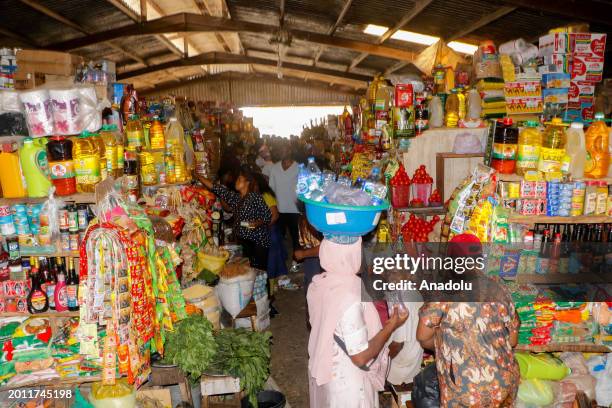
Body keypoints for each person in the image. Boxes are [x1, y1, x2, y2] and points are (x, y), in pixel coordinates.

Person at [416, 233, 519, 408]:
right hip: (504, 384)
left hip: (466, 389)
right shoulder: (500, 287)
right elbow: (513, 340)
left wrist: (446, 345)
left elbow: (423, 336)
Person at [307, 237, 408, 408]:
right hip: (348, 385)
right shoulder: (350, 298)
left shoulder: (320, 283)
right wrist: (391, 325)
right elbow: (360, 357)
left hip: (329, 368)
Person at [195, 169, 271, 270]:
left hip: (257, 243)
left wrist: (255, 224)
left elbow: (268, 216)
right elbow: (216, 188)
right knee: (248, 272)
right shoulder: (237, 198)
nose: (236, 181)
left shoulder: (254, 197)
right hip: (245, 241)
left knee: (259, 273)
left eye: (240, 179)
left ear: (247, 182)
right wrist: (198, 176)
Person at [252, 173, 293, 292]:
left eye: (253, 184)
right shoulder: (258, 195)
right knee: (273, 258)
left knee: (273, 258)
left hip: (271, 231)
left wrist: (262, 225)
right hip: (269, 230)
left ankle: (273, 284)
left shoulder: (265, 195)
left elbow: (274, 215)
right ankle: (273, 284)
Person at [268, 142, 300, 252]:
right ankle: (281, 260)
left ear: (290, 151)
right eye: (280, 150)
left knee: (296, 238)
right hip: (279, 209)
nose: (281, 152)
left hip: (295, 210)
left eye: (284, 150)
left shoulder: (299, 168)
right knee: (279, 238)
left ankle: (297, 260)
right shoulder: (275, 168)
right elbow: (271, 189)